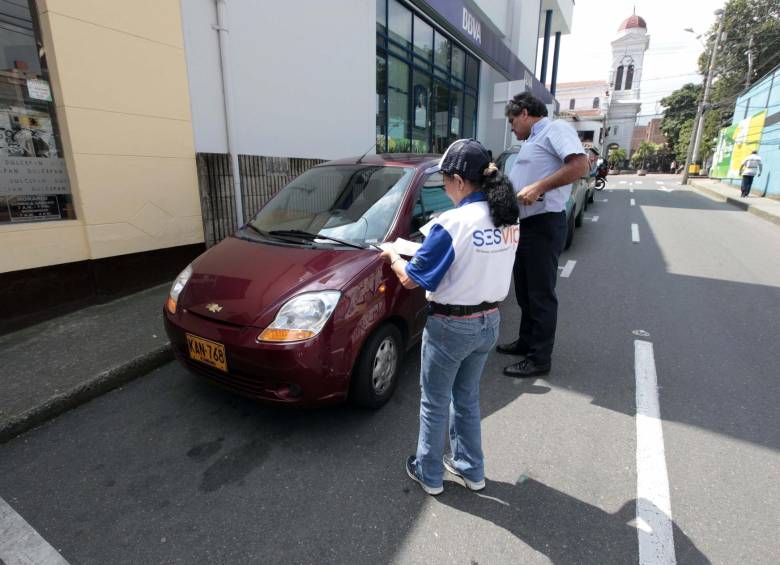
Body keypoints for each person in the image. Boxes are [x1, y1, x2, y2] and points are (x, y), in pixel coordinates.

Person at [380, 139, 519, 496]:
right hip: (489, 321)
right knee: (467, 398)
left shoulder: (453, 222)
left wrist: (392, 254)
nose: (443, 189)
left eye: (444, 181)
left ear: (458, 181)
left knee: (434, 402)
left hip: (451, 327)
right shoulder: (507, 217)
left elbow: (411, 279)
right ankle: (471, 469)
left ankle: (429, 473)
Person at [498, 92, 589, 377]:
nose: (512, 127)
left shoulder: (555, 129)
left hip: (543, 224)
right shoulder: (531, 141)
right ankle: (526, 342)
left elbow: (580, 166)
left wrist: (539, 187)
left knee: (540, 294)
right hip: (525, 226)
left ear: (525, 113)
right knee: (524, 291)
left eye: (513, 121)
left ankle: (539, 358)